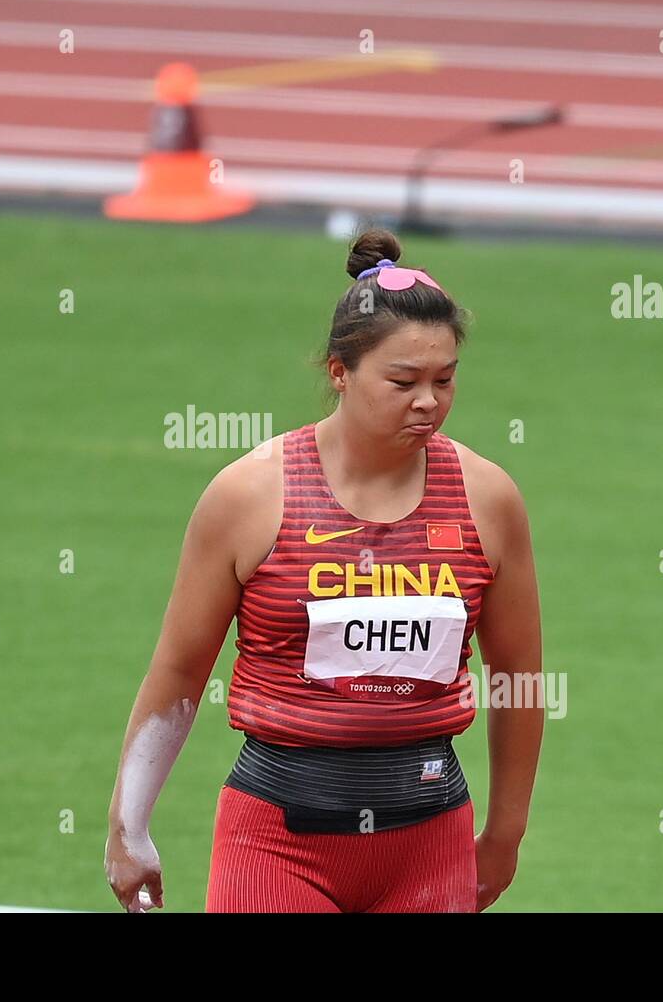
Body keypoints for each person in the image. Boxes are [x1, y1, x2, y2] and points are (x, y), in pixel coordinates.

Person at [105, 228, 543, 913]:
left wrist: (506, 834)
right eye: (403, 381)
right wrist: (128, 824)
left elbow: (517, 677)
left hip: (429, 842)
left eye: (445, 380)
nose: (428, 401)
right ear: (339, 372)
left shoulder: (489, 500)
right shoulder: (249, 496)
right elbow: (180, 670)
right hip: (277, 847)